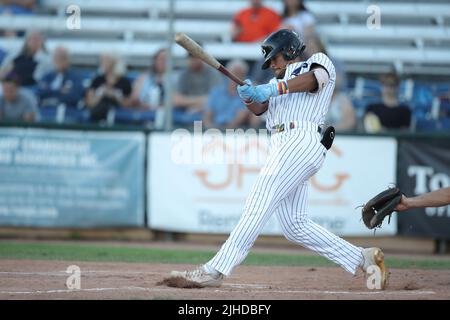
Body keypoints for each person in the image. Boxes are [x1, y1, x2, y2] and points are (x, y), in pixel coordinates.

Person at [170, 29, 387, 289]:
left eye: (275, 58)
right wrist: (249, 98)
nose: (272, 65)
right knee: (294, 224)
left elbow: (314, 80)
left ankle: (215, 269)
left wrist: (272, 88)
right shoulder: (277, 83)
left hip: (302, 138)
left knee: (258, 201)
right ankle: (361, 258)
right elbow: (262, 108)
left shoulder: (316, 62)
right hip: (283, 142)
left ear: (290, 51)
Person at [173, 50, 221, 125]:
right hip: (187, 110)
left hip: (207, 111)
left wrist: (197, 108)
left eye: (196, 57)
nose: (194, 60)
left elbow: (216, 99)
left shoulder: (212, 73)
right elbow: (177, 100)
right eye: (191, 57)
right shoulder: (184, 74)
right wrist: (197, 103)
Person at [203, 60, 250, 129]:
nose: (236, 77)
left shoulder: (248, 95)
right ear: (227, 74)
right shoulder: (216, 92)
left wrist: (225, 131)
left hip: (236, 131)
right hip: (214, 130)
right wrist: (211, 129)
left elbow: (240, 117)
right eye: (234, 73)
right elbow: (207, 115)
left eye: (240, 74)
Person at [85, 52, 132, 122]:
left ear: (113, 63)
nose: (102, 63)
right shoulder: (97, 80)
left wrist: (115, 95)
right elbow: (90, 103)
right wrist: (101, 93)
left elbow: (129, 105)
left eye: (106, 61)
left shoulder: (124, 82)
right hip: (97, 112)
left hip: (118, 114)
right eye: (102, 61)